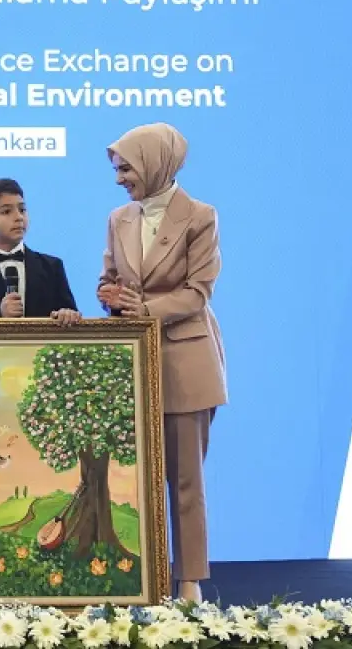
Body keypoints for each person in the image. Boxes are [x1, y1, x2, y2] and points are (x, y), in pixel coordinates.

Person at [96, 123, 226, 603]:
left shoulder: (200, 216)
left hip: (186, 362)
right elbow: (109, 278)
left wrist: (145, 309)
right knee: (137, 482)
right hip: (135, 363)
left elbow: (198, 292)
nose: (119, 179)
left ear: (154, 162)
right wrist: (109, 295)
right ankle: (142, 580)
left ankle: (189, 581)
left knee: (186, 478)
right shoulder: (118, 218)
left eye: (125, 169)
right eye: (117, 170)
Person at [0, 178, 81, 325]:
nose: (19, 217)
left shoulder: (52, 267)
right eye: (6, 211)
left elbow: (70, 313)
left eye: (22, 210)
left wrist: (67, 315)